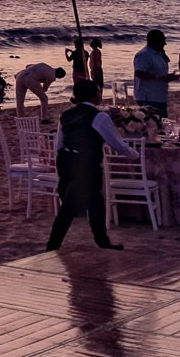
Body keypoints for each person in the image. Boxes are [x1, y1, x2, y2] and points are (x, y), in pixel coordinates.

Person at [46, 79, 139, 251]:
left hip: (67, 162)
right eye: (98, 91)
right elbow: (116, 143)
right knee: (70, 207)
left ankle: (102, 242)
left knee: (95, 202)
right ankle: (52, 246)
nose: (100, 94)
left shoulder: (65, 116)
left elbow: (59, 144)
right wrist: (134, 155)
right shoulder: (99, 117)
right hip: (86, 164)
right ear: (94, 95)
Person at [132, 30, 172, 125]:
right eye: (162, 41)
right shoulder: (144, 55)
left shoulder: (159, 54)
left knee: (163, 124)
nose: (165, 44)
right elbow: (139, 73)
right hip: (148, 97)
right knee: (152, 125)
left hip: (160, 96)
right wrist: (159, 78)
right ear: (154, 41)